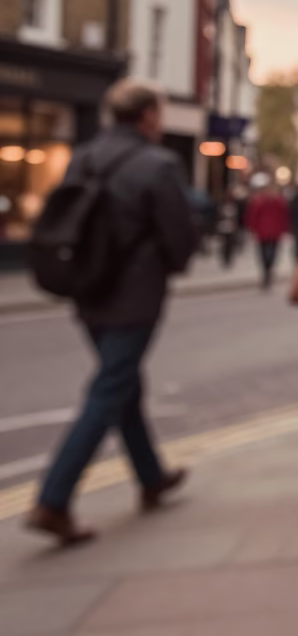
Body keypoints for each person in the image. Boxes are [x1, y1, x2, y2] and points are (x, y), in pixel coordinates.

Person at [27, 80, 197, 545]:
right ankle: (53, 499)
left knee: (122, 382)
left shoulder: (83, 156)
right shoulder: (158, 165)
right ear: (146, 118)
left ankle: (151, 476)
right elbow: (179, 238)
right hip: (134, 294)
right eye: (158, 115)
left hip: (87, 288)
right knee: (110, 387)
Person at [245, 183, 291, 290]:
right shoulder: (278, 201)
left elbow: (252, 216)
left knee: (264, 252)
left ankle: (267, 271)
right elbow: (285, 216)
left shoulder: (259, 201)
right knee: (271, 252)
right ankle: (268, 270)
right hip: (272, 231)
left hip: (264, 231)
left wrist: (252, 228)